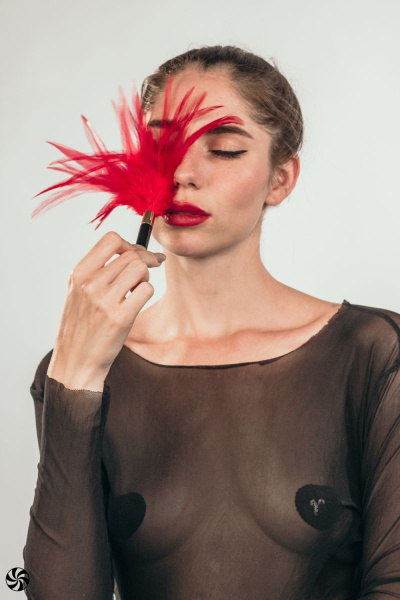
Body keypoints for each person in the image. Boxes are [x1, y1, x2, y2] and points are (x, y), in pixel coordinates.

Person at [23, 45, 400, 599]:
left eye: (223, 150)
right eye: (162, 147)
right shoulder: (83, 368)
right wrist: (73, 380)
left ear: (280, 179)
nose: (182, 173)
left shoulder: (372, 353)